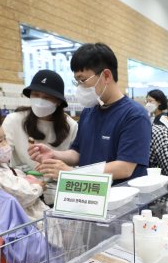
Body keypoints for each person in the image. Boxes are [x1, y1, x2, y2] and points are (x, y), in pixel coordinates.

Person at [29, 43, 151, 185]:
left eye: (83, 80)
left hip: (121, 200)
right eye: (77, 82)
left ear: (106, 76)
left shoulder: (134, 115)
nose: (80, 87)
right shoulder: (89, 111)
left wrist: (73, 173)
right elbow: (78, 153)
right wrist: (54, 154)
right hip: (90, 196)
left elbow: (124, 167)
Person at [2, 70, 78, 205]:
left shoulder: (71, 126)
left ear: (59, 101)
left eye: (47, 97)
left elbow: (75, 161)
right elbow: (2, 158)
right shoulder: (14, 120)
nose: (40, 101)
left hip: (59, 195)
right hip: (24, 193)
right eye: (36, 95)